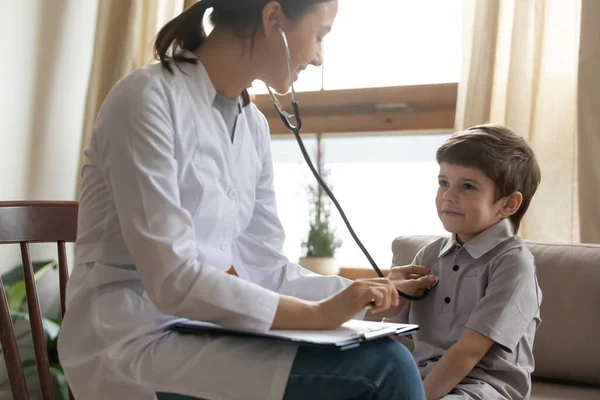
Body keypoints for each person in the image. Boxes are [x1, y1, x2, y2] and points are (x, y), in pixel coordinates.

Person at [57, 1, 435, 399]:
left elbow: (266, 267)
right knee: (381, 369)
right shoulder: (145, 99)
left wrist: (363, 291)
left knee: (383, 355)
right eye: (320, 35)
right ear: (273, 17)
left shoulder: (252, 125)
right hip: (130, 338)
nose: (320, 57)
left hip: (200, 332)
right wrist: (316, 315)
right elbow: (172, 280)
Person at [384, 124, 543, 399]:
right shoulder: (428, 255)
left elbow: (469, 351)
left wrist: (417, 397)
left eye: (467, 186)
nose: (448, 195)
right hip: (422, 378)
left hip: (486, 388)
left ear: (507, 205)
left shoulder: (513, 264)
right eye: (443, 182)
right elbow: (392, 335)